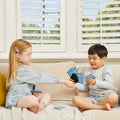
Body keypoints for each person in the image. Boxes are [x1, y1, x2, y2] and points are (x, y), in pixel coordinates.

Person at [5, 39, 75, 114]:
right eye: (28, 54)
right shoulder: (21, 70)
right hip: (15, 101)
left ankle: (39, 107)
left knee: (46, 95)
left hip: (26, 97)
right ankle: (41, 104)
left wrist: (32, 92)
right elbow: (40, 77)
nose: (30, 57)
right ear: (18, 55)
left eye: (31, 54)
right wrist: (63, 81)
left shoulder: (25, 68)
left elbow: (25, 86)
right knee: (32, 100)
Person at [72, 44, 119, 111]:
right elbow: (86, 88)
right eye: (89, 58)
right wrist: (75, 84)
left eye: (94, 58)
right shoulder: (87, 71)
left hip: (107, 96)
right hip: (93, 98)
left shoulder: (106, 69)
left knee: (114, 96)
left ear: (103, 59)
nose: (91, 61)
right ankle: (101, 107)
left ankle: (89, 107)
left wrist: (96, 82)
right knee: (75, 99)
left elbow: (109, 84)